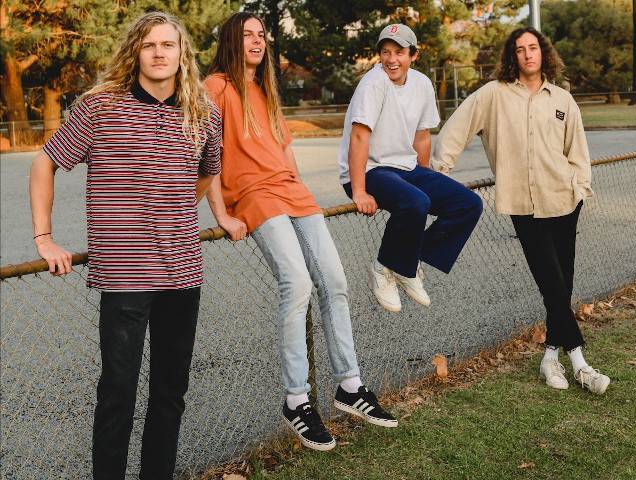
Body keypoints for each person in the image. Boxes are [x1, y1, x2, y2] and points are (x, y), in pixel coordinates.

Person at [29, 12, 222, 479]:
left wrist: (172, 208)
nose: (159, 53)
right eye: (150, 44)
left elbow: (208, 171)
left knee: (170, 393)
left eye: (168, 45)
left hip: (182, 272)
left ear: (182, 54)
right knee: (118, 390)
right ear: (135, 50)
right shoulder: (100, 107)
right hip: (125, 273)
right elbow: (45, 163)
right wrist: (44, 236)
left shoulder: (203, 112)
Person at [203, 12, 397, 452]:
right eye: (247, 35)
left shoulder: (265, 89)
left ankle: (350, 385)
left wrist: (300, 190)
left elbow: (285, 150)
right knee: (297, 283)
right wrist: (222, 214)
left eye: (261, 35)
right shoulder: (215, 87)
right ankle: (296, 399)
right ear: (231, 41)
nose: (256, 41)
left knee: (335, 281)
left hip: (292, 193)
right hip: (253, 196)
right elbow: (205, 153)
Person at [433, 27, 610, 394]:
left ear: (543, 53)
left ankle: (549, 359)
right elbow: (456, 129)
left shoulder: (562, 99)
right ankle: (580, 362)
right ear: (511, 57)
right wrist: (438, 175)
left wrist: (580, 187)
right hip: (523, 205)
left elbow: (578, 151)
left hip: (564, 199)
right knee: (551, 282)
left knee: (562, 284)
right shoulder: (493, 95)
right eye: (520, 49)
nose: (528, 54)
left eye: (533, 48)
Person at [338, 24, 483, 313]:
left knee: (468, 204)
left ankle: (405, 262)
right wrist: (358, 190)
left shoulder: (421, 84)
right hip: (370, 170)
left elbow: (422, 136)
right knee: (417, 201)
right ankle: (384, 267)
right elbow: (358, 136)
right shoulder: (373, 83)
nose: (392, 59)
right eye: (386, 52)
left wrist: (426, 175)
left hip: (406, 167)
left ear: (413, 55)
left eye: (399, 53)